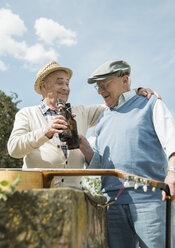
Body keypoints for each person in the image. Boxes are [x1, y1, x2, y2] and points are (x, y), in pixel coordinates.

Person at [7, 60, 158, 189]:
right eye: (60, 83)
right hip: (38, 194)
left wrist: (134, 93)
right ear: (44, 86)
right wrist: (45, 132)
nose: (66, 88)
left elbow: (115, 101)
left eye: (67, 83)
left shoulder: (81, 112)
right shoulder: (26, 114)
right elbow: (14, 149)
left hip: (74, 196)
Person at [79, 60, 175, 248]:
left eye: (104, 84)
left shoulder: (150, 103)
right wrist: (84, 147)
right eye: (97, 87)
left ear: (125, 81)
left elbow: (172, 139)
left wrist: (172, 172)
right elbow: (100, 165)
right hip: (112, 204)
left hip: (150, 200)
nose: (100, 91)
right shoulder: (103, 118)